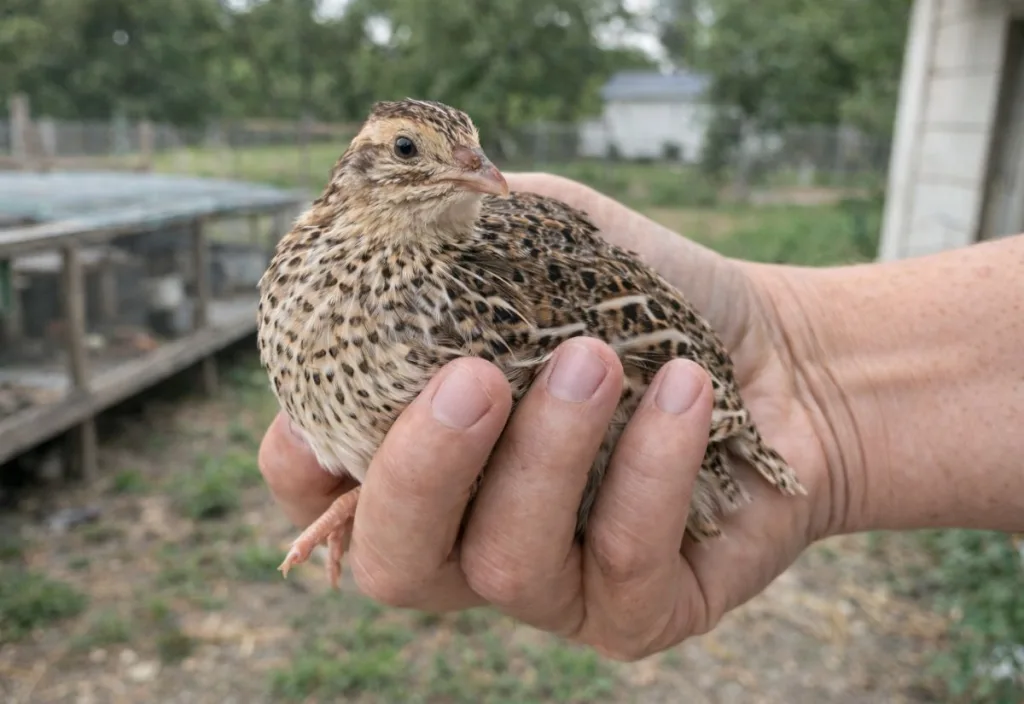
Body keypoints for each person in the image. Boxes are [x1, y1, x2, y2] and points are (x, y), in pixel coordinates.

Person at [258, 172, 1024, 661]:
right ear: (358, 169)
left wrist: (794, 397)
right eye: (408, 153)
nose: (469, 172)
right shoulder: (307, 269)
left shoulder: (466, 290)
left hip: (680, 391)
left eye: (469, 154)